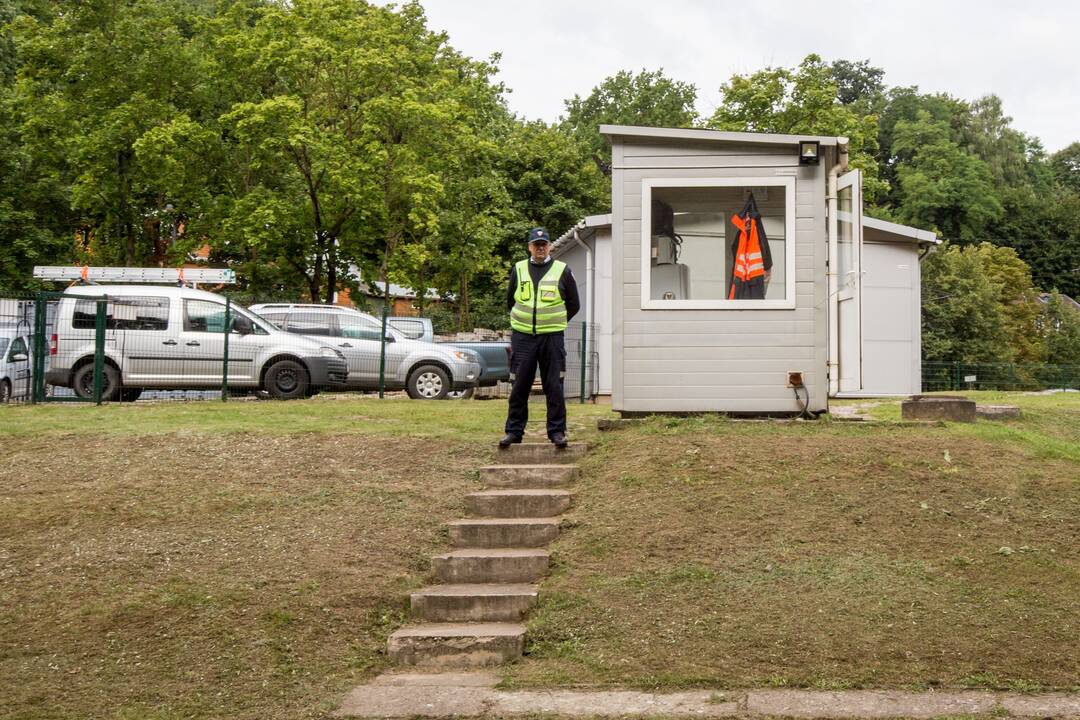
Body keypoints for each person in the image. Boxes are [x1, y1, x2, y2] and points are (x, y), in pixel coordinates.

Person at [500, 227, 580, 449]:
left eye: (544, 244)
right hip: (523, 338)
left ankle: (557, 432)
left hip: (552, 338)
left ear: (549, 246)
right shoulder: (518, 269)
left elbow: (574, 304)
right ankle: (514, 432)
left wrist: (555, 322)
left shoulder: (563, 270)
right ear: (529, 247)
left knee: (554, 386)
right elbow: (510, 301)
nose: (540, 248)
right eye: (536, 245)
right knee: (519, 386)